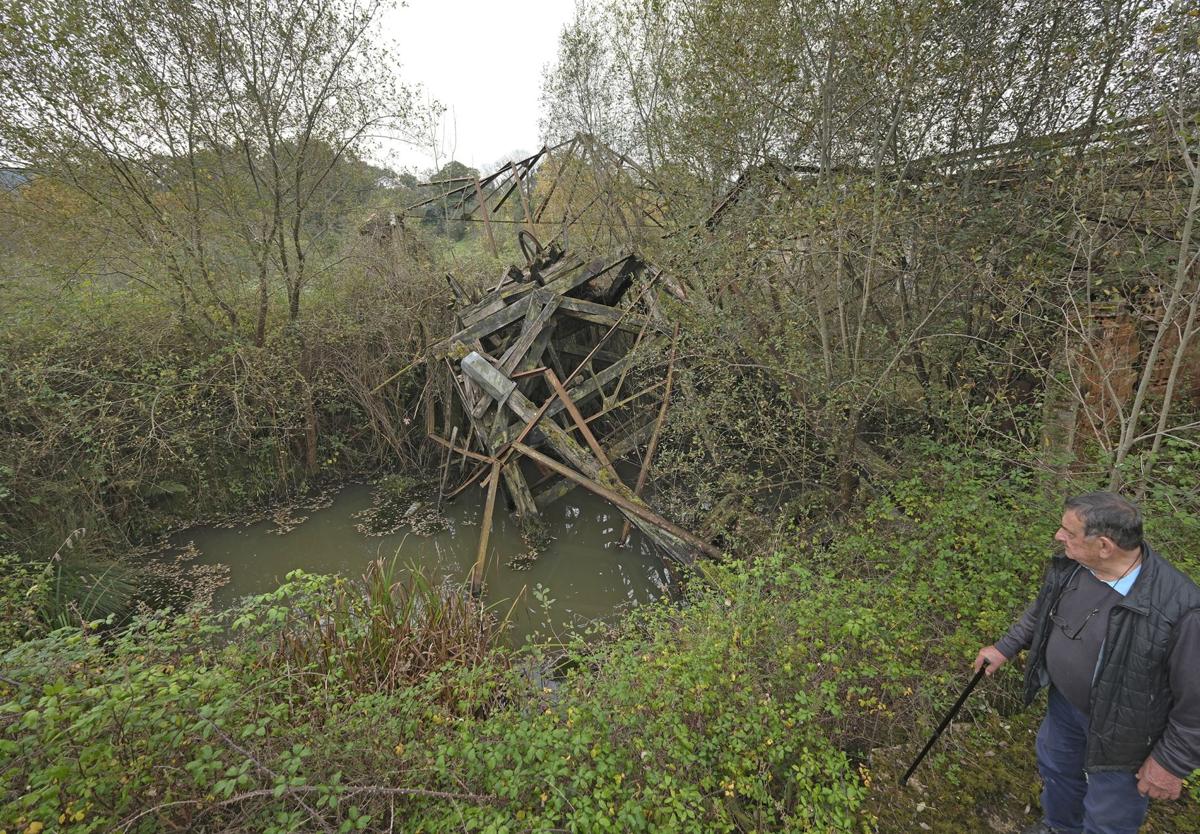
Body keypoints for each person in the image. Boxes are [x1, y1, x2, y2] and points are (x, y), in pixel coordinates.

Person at [974, 492, 1200, 834]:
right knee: (1057, 771)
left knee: (1109, 815)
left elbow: (1195, 702)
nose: (1058, 536)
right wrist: (1006, 647)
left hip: (1124, 736)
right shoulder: (1075, 566)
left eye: (1069, 531)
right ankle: (1059, 826)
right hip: (1064, 707)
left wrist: (1171, 762)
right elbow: (1044, 609)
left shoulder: (1180, 609)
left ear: (1105, 546)